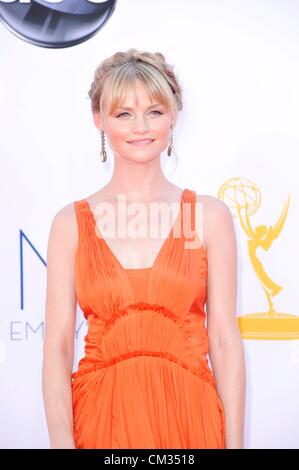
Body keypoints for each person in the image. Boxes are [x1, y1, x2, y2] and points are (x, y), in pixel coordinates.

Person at [42, 48, 246, 449]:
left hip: (191, 419)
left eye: (154, 111)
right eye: (123, 114)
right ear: (99, 119)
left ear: (173, 116)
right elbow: (57, 347)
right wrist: (61, 441)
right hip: (102, 419)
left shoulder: (209, 217)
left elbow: (223, 339)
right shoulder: (70, 224)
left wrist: (235, 444)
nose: (141, 127)